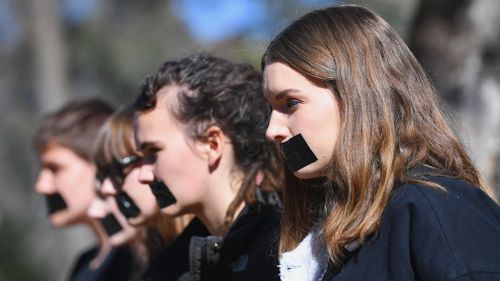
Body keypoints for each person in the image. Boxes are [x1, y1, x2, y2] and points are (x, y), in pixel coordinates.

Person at [262, 5, 500, 281]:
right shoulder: (326, 236)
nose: (272, 130)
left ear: (356, 94)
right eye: (270, 108)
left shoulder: (434, 207)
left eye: (290, 103)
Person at [134, 53, 283, 281]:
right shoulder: (168, 268)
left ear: (212, 144)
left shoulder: (287, 255)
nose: (143, 175)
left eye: (153, 152)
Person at [33, 98, 133, 281]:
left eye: (55, 169)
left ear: (101, 163)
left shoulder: (140, 259)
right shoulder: (84, 263)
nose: (42, 186)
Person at [90, 105, 193, 280]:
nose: (107, 188)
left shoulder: (205, 255)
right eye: (103, 175)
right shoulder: (139, 262)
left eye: (118, 170)